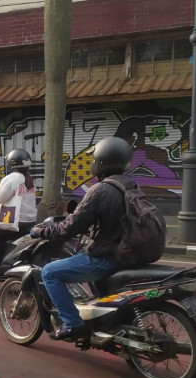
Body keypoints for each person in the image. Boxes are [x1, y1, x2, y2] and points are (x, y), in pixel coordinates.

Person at [30, 137, 134, 340]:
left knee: (50, 272)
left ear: (101, 162)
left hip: (106, 258)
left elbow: (70, 226)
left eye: (94, 159)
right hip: (128, 254)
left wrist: (42, 231)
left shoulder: (101, 190)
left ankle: (72, 323)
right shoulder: (131, 185)